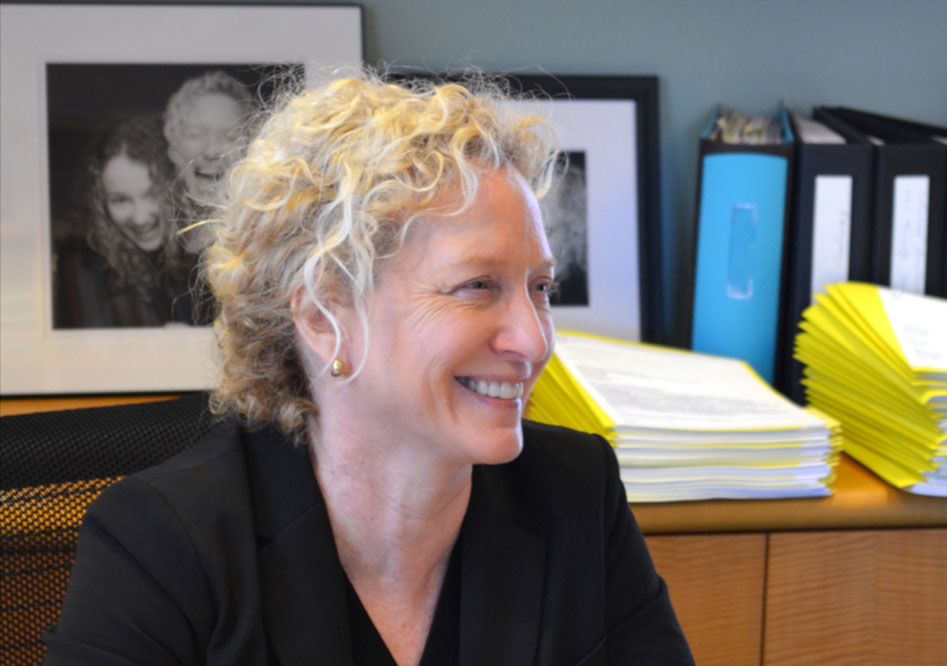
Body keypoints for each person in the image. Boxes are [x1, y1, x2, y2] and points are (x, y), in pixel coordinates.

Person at [44, 73, 694, 665]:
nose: (533, 339)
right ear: (325, 315)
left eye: (541, 289)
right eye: (476, 286)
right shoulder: (162, 544)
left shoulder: (574, 495)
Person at [53, 114, 195, 328]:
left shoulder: (204, 258)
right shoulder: (86, 272)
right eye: (120, 200)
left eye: (152, 194)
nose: (140, 217)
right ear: (100, 205)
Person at [162, 69, 255, 256]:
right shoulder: (156, 236)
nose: (212, 151)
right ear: (173, 147)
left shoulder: (261, 244)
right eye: (196, 134)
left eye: (230, 136)